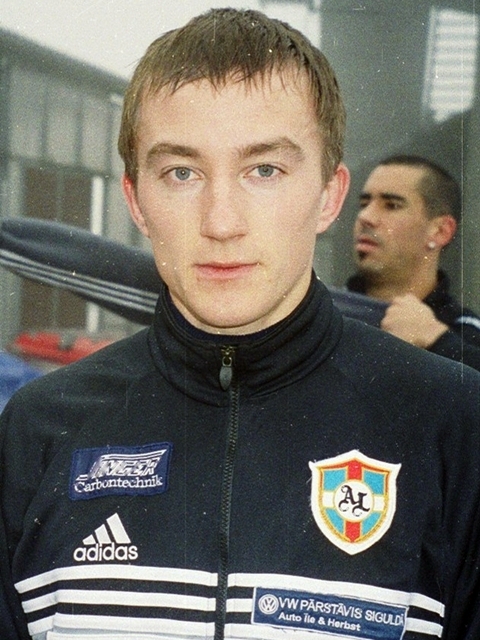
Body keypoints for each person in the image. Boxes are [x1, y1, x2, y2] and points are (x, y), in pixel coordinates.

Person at [1, 8, 480, 640]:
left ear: (329, 196)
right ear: (137, 200)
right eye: (182, 173)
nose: (221, 222)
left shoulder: (455, 424)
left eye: (264, 170)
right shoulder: (38, 430)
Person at [347, 155, 480, 369]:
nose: (366, 217)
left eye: (392, 205)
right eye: (364, 203)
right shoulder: (324, 310)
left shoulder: (466, 332)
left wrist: (438, 341)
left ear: (440, 231)